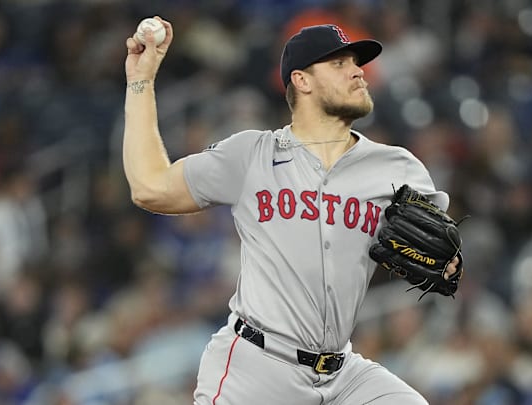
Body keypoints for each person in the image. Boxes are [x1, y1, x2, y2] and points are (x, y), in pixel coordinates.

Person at [123, 17, 461, 405]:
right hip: (257, 366)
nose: (358, 71)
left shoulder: (397, 168)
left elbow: (444, 252)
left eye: (357, 63)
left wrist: (447, 262)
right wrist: (141, 81)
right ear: (302, 81)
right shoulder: (252, 155)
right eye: (340, 64)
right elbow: (149, 187)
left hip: (343, 374)